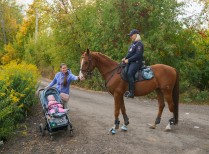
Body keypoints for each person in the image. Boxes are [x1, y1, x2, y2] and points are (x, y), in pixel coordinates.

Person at [122, 29, 144, 98]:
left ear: (136, 35)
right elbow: (130, 53)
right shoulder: (133, 44)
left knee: (129, 73)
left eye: (131, 35)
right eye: (130, 35)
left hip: (137, 62)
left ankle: (132, 92)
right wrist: (125, 58)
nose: (130, 36)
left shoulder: (139, 44)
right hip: (131, 62)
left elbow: (138, 55)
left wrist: (128, 60)